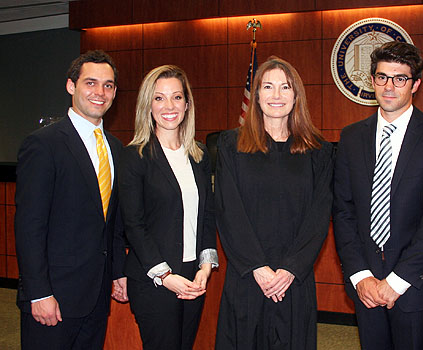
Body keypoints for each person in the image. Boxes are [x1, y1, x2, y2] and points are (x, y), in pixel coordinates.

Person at [333, 41, 423, 349]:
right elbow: (343, 211)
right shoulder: (351, 137)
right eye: (382, 77)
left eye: (400, 78)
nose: (389, 87)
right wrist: (360, 275)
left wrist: (397, 281)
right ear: (373, 80)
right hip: (366, 287)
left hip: (415, 287)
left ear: (415, 84)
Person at [214, 56, 333, 350]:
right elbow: (229, 210)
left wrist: (290, 269)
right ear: (256, 96)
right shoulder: (230, 145)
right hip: (248, 277)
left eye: (285, 87)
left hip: (295, 280)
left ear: (296, 97)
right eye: (268, 87)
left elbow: (319, 216)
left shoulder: (319, 151)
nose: (276, 95)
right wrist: (258, 268)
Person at [15, 50, 128, 350]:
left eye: (108, 85)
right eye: (90, 83)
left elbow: (112, 223)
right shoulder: (43, 145)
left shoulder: (116, 149)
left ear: (115, 92)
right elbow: (29, 227)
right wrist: (38, 293)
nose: (99, 92)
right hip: (53, 299)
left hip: (96, 298)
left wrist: (118, 272)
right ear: (71, 86)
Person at [118, 65, 218, 350]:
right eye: (159, 98)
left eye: (176, 97)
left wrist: (206, 266)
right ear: (148, 105)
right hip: (153, 279)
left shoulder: (199, 156)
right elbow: (133, 226)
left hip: (193, 276)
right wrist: (165, 276)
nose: (169, 106)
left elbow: (207, 217)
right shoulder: (135, 156)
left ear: (187, 105)